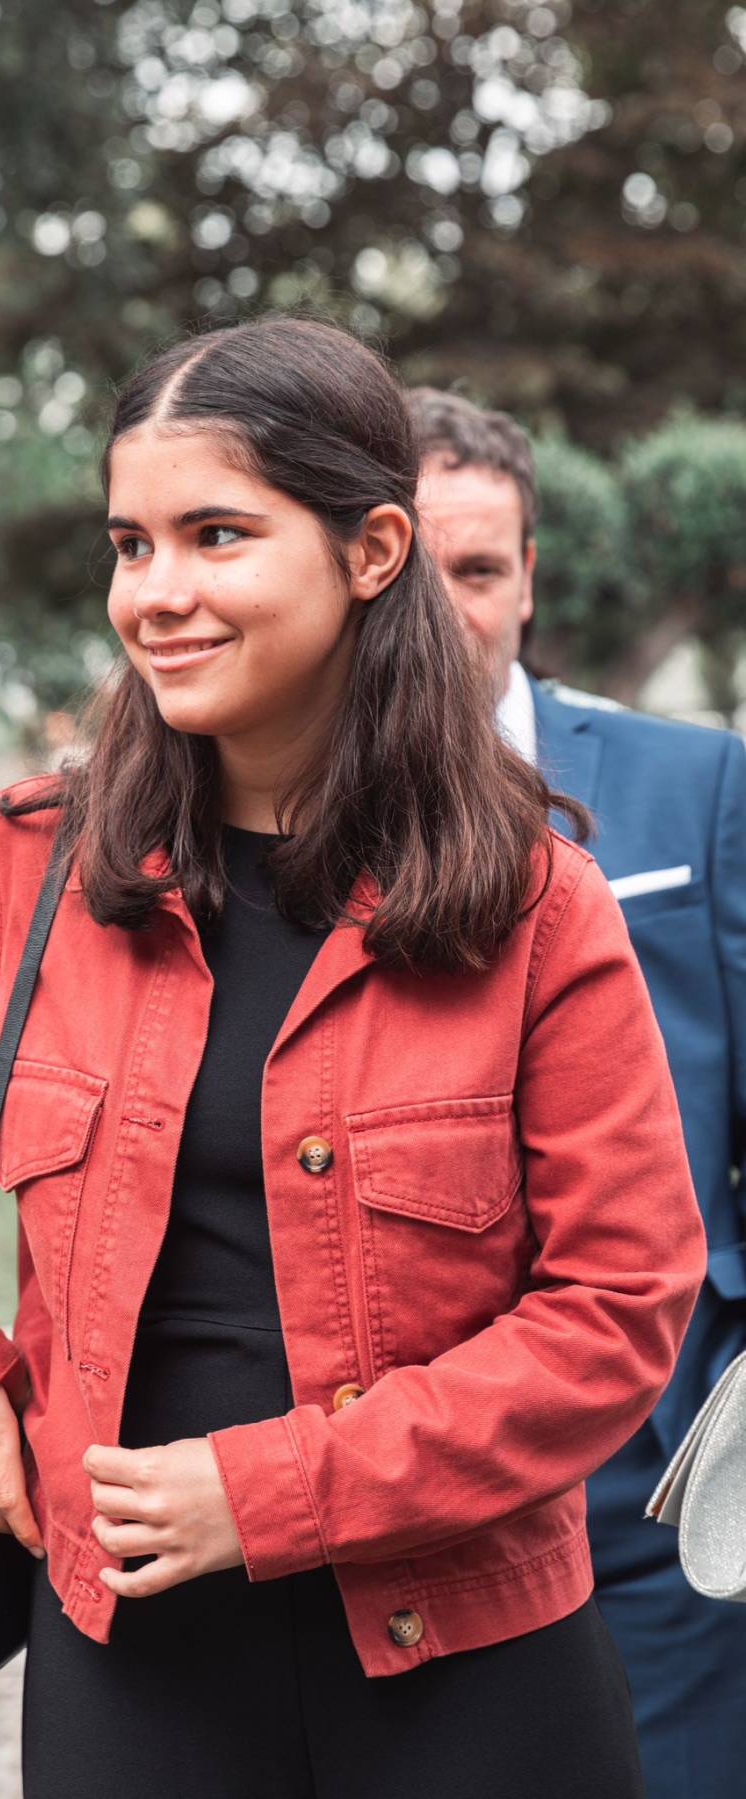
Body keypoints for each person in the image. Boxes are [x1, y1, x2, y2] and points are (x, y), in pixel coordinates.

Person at [0, 315, 705, 1799]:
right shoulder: (25, 866)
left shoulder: (539, 905)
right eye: (129, 543)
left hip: (469, 1666)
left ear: (372, 549)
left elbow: (616, 1306)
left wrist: (271, 1487)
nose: (156, 593)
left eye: (216, 534)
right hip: (131, 1661)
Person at [412, 384, 746, 1799]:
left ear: (530, 576)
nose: (446, 610)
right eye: (412, 570)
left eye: (478, 569)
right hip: (414, 1471)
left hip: (663, 1455)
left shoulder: (699, 783)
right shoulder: (276, 814)